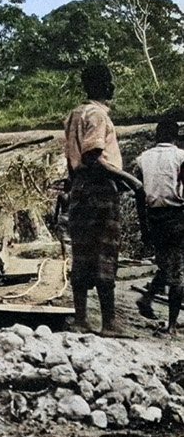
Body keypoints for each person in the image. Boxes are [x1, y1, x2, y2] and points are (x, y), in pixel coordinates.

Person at [62, 64, 143, 336]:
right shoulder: (98, 115)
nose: (113, 85)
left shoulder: (75, 114)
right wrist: (128, 179)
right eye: (110, 81)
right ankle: (108, 323)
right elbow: (92, 157)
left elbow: (75, 162)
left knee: (82, 254)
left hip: (80, 190)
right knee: (105, 252)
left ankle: (81, 319)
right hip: (100, 191)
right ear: (104, 85)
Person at [132, 119, 184, 332]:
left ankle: (148, 297)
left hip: (154, 217)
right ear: (176, 136)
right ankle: (171, 325)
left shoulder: (142, 159)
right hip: (178, 215)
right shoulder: (181, 156)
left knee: (167, 264)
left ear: (156, 136)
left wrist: (144, 228)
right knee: (177, 270)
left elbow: (138, 195)